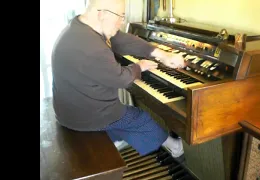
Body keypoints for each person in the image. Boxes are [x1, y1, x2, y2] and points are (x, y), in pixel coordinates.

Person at [51, 0, 186, 160]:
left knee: (122, 113)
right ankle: (176, 148)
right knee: (138, 117)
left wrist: (161, 54)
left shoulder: (80, 26)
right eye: (120, 17)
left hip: (68, 110)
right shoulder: (92, 48)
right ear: (102, 14)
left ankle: (117, 138)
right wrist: (139, 66)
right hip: (86, 117)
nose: (121, 22)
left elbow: (121, 39)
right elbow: (122, 79)